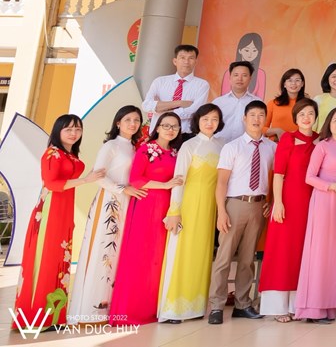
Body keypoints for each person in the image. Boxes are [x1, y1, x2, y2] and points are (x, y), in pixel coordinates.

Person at [14, 115, 104, 328]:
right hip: (50, 211)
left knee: (59, 260)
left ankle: (53, 317)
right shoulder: (52, 153)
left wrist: (89, 176)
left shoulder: (69, 154)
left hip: (64, 210)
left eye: (78, 129)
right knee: (46, 258)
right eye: (68, 129)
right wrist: (86, 179)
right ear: (58, 131)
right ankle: (35, 317)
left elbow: (69, 180)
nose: (74, 133)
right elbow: (51, 184)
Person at [69, 106, 143, 325]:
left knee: (120, 254)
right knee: (103, 251)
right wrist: (122, 189)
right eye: (127, 119)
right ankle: (90, 311)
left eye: (136, 120)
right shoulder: (111, 146)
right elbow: (98, 176)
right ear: (118, 122)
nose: (133, 124)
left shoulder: (136, 147)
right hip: (110, 202)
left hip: (129, 202)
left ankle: (113, 307)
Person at [109, 112, 182, 325]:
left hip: (166, 207)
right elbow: (135, 179)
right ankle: (131, 311)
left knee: (158, 258)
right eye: (166, 125)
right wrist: (165, 185)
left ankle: (153, 308)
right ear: (157, 128)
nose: (170, 129)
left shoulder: (176, 153)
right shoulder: (146, 149)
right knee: (140, 255)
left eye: (175, 126)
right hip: (146, 205)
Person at [207, 100, 275, 324]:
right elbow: (221, 183)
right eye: (252, 115)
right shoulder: (232, 147)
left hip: (258, 206)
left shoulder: (271, 147)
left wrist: (271, 201)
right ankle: (216, 306)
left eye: (261, 115)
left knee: (247, 259)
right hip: (235, 205)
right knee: (224, 257)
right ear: (244, 118)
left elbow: (276, 178)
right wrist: (222, 211)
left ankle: (243, 304)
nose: (257, 119)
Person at [156, 104, 223, 323]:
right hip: (188, 206)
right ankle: (172, 310)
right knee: (181, 253)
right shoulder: (189, 145)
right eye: (205, 119)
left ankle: (195, 308)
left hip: (209, 209)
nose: (210, 123)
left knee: (202, 255)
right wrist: (174, 211)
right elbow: (179, 179)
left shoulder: (222, 146)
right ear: (197, 121)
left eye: (214, 119)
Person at [259, 98, 318, 321]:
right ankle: (278, 307)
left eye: (310, 113)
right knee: (282, 252)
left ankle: (297, 304)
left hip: (312, 204)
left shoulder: (320, 140)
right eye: (301, 114)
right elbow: (279, 174)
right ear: (295, 117)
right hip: (287, 203)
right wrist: (278, 202)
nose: (306, 118)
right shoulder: (288, 139)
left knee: (302, 253)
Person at [294, 106, 336, 323]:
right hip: (323, 201)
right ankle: (312, 307)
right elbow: (309, 177)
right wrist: (331, 186)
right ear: (329, 123)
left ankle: (329, 307)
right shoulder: (322, 146)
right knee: (319, 252)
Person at [141, 44, 209, 134]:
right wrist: (179, 103)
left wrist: (162, 108)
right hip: (158, 133)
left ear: (196, 62)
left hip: (184, 134)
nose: (186, 62)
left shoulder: (202, 85)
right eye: (182, 58)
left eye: (191, 58)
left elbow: (195, 111)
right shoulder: (159, 81)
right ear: (175, 61)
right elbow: (146, 105)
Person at [212, 61, 257, 144]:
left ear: (250, 78)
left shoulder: (256, 103)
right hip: (219, 146)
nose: (240, 79)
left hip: (245, 147)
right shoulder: (218, 102)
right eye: (236, 75)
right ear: (230, 78)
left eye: (244, 75)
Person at [219, 32, 267, 98]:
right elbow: (224, 96)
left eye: (254, 51)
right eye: (247, 50)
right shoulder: (228, 72)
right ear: (240, 50)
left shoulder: (261, 74)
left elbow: (260, 99)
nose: (250, 54)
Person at [265, 69, 306, 140]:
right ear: (284, 84)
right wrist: (277, 131)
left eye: (297, 80)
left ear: (302, 84)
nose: (293, 83)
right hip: (276, 144)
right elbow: (262, 129)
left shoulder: (306, 105)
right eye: (290, 80)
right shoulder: (273, 103)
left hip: (299, 144)